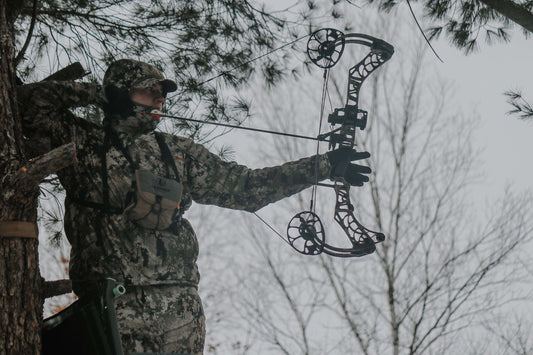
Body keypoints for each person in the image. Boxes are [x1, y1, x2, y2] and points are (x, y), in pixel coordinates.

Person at [19, 59, 371, 354]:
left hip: (181, 310)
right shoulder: (82, 141)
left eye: (162, 95)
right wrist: (95, 94)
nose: (158, 100)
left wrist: (323, 166)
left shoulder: (177, 152)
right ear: (120, 95)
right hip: (114, 307)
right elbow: (26, 103)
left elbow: (246, 188)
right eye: (148, 91)